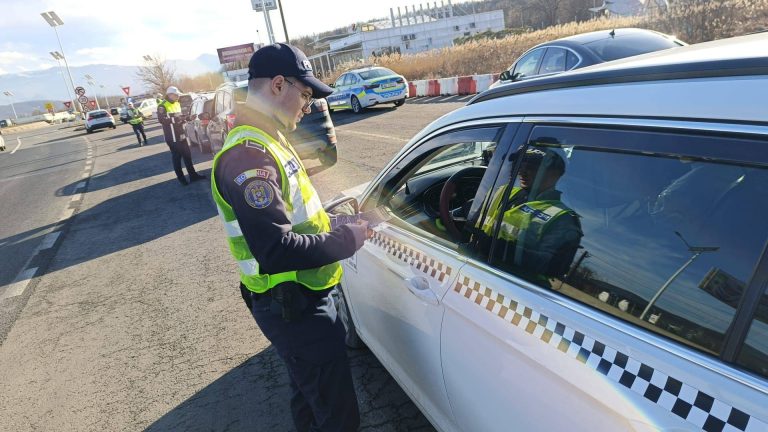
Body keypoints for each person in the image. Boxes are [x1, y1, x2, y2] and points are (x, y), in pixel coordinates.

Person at [210, 43, 370, 432]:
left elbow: (298, 222)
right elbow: (276, 250)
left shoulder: (269, 141)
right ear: (279, 85)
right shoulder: (250, 154)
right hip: (295, 306)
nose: (309, 104)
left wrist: (338, 223)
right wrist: (351, 239)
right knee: (338, 416)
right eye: (306, 93)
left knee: (311, 401)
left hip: (299, 301)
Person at [477, 148, 582, 285]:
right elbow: (468, 220)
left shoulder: (562, 218)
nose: (522, 171)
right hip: (477, 270)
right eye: (521, 164)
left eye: (532, 167)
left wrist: (496, 247)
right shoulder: (502, 192)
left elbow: (551, 265)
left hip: (511, 288)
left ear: (555, 174)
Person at [157, 86, 205, 185]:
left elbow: (180, 117)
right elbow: (162, 120)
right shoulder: (162, 106)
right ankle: (181, 179)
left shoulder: (177, 103)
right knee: (177, 158)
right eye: (176, 94)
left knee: (187, 156)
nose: (178, 96)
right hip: (172, 137)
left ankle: (193, 176)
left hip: (181, 134)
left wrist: (188, 118)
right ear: (170, 94)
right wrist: (177, 119)